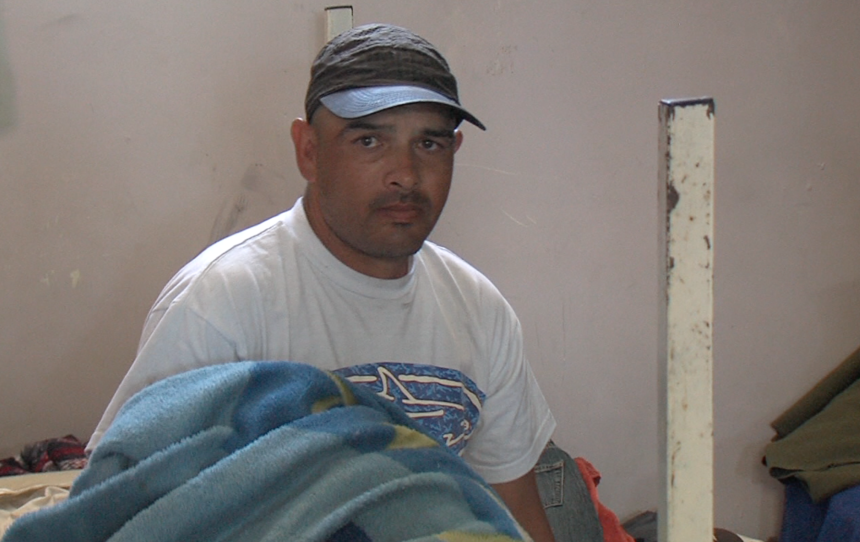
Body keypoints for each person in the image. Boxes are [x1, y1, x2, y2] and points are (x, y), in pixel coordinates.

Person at [88, 23, 557, 541]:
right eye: (369, 140)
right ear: (308, 150)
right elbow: (122, 510)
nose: (405, 173)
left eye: (429, 143)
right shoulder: (220, 302)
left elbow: (517, 512)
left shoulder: (479, 309)